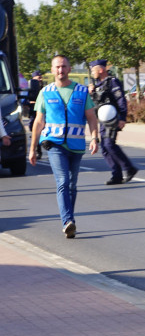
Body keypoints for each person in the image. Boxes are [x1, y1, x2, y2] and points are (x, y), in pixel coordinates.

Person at [28, 55, 101, 238]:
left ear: (69, 69)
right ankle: (67, 221)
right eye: (57, 67)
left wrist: (94, 138)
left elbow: (91, 117)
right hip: (54, 144)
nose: (60, 70)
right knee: (63, 182)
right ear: (52, 70)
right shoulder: (45, 92)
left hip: (75, 145)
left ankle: (70, 219)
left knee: (72, 185)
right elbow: (38, 122)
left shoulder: (82, 91)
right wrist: (33, 148)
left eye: (64, 67)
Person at [89, 59, 138, 185]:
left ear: (101, 70)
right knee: (105, 148)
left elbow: (121, 99)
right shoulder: (98, 84)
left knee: (109, 144)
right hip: (102, 120)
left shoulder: (112, 82)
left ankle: (129, 168)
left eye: (93, 69)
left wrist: (122, 117)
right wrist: (92, 92)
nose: (92, 72)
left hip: (112, 119)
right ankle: (116, 175)